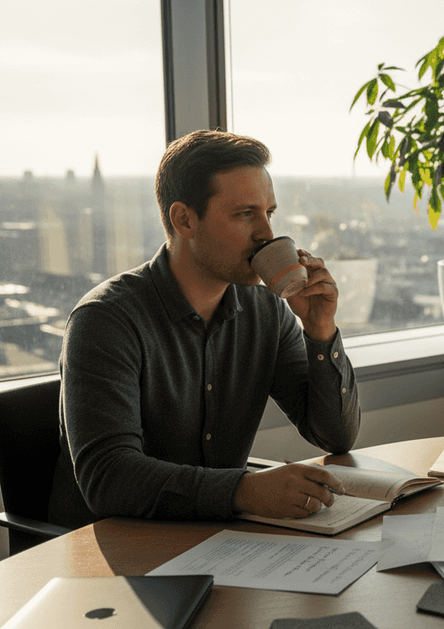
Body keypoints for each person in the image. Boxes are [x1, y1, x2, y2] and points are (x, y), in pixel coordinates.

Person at [51, 130, 361, 529]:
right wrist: (244, 491)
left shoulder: (266, 309)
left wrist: (320, 330)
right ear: (184, 219)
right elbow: (109, 479)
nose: (266, 234)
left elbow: (335, 437)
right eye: (245, 214)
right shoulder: (105, 319)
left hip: (217, 534)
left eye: (269, 213)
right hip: (115, 547)